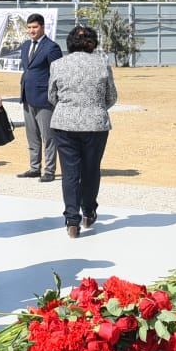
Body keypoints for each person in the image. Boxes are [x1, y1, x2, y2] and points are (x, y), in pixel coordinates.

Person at [48, 25, 118, 238]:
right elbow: (111, 96)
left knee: (69, 173)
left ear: (69, 43)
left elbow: (52, 95)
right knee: (91, 169)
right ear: (93, 43)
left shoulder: (57, 65)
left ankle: (71, 220)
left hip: (64, 123)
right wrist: (95, 108)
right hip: (95, 123)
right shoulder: (102, 65)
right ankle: (88, 211)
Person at [17, 13, 63, 183]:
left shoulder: (52, 48)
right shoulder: (25, 46)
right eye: (29, 27)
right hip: (27, 96)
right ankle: (34, 167)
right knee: (32, 135)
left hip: (45, 98)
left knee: (48, 136)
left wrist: (55, 96)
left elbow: (58, 73)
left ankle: (49, 170)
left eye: (35, 27)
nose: (31, 31)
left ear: (42, 27)